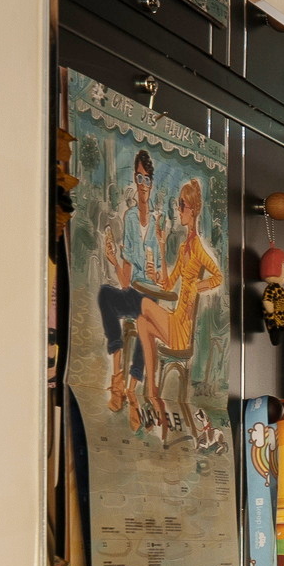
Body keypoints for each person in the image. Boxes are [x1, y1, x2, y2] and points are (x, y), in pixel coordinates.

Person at [135, 175, 224, 446]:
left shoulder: (196, 247)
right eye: (179, 205)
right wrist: (162, 250)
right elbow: (168, 283)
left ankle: (153, 393)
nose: (179, 209)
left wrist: (197, 286)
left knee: (144, 305)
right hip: (175, 319)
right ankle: (153, 394)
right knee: (142, 323)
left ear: (193, 210)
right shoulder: (185, 246)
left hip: (182, 330)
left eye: (182, 205)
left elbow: (218, 276)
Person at [97, 146, 162, 417]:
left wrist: (156, 274)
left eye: (146, 179)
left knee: (145, 322)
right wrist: (113, 259)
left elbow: (163, 278)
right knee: (105, 294)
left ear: (151, 183)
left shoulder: (158, 224)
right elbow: (125, 281)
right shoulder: (130, 217)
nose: (142, 184)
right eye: (138, 178)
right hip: (134, 292)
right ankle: (117, 379)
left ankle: (133, 391)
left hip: (152, 296)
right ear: (135, 181)